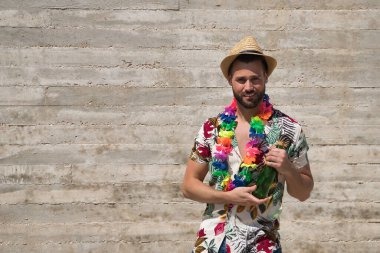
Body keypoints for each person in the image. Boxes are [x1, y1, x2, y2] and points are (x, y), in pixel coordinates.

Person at [181, 36, 314, 253]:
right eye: (241, 80)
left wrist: (288, 168)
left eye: (255, 79)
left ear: (266, 78)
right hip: (213, 243)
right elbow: (188, 187)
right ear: (230, 80)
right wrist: (227, 197)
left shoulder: (289, 129)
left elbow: (303, 193)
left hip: (262, 243)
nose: (249, 87)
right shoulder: (211, 129)